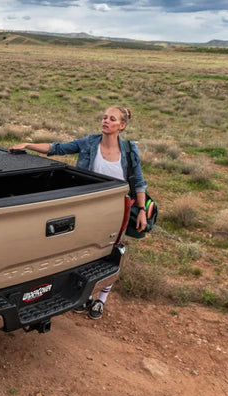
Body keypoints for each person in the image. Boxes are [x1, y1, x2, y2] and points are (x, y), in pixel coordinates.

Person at [9, 106, 147, 320]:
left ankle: (101, 299)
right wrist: (28, 144)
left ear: (122, 125)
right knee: (86, 249)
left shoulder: (129, 150)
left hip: (117, 208)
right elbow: (58, 148)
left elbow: (138, 181)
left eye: (112, 119)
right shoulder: (90, 143)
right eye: (104, 117)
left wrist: (142, 210)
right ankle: (85, 295)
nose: (106, 121)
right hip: (89, 207)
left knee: (112, 250)